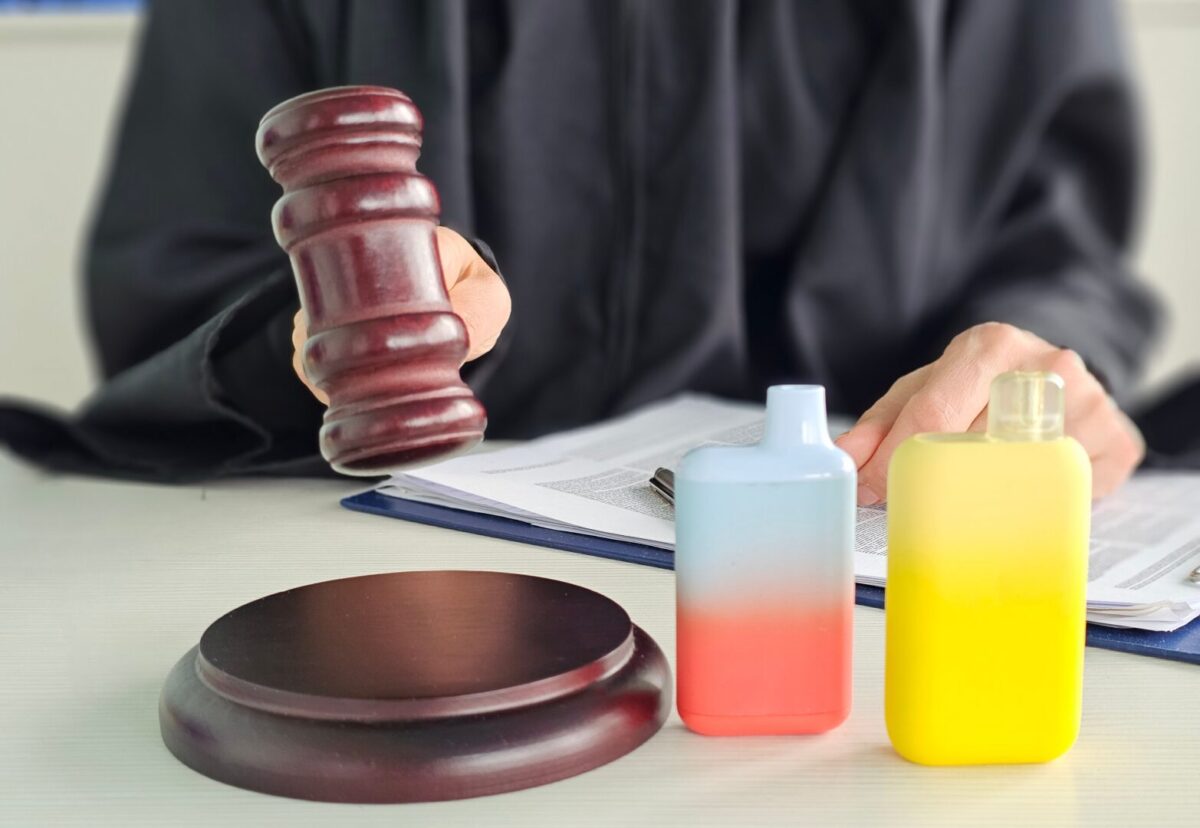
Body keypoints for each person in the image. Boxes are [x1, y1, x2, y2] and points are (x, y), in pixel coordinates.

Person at [0, 0, 1158, 502]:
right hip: (393, 579)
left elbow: (1058, 247)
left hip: (874, 585)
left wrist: (1036, 366)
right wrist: (339, 323)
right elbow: (182, 293)